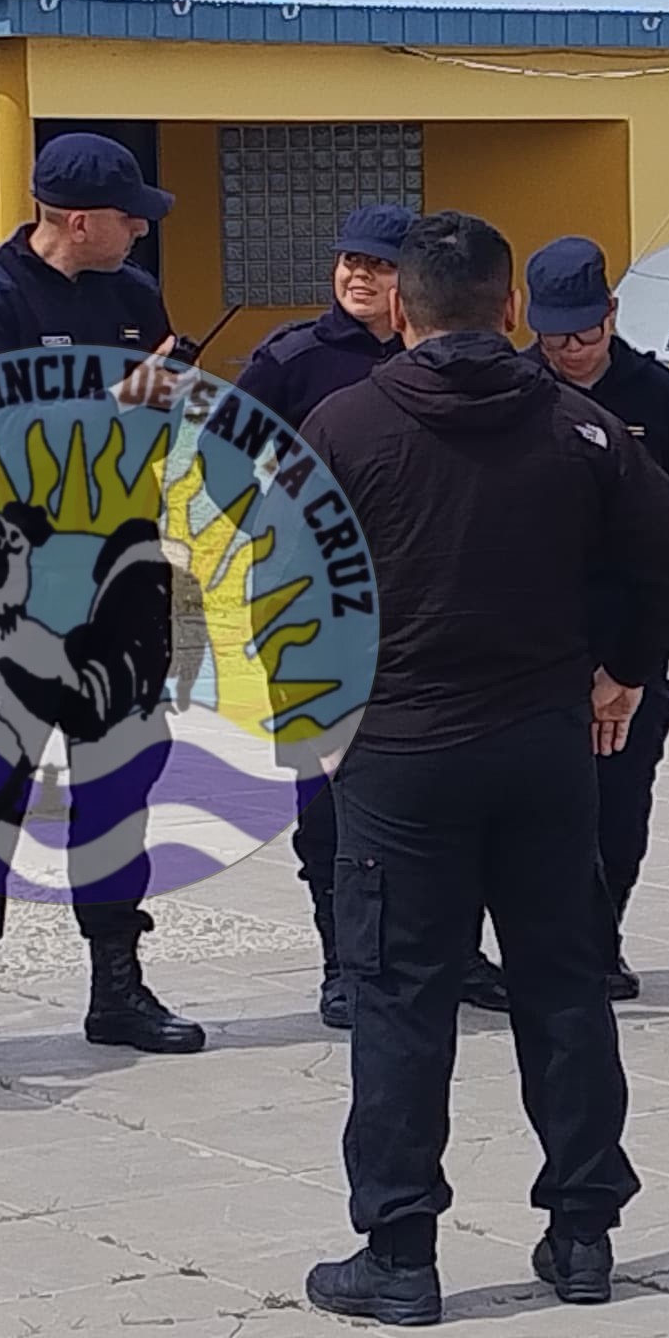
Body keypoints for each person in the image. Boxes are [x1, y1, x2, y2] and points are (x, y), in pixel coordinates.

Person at [294, 211, 669, 1326]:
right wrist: (621, 667)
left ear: (402, 308)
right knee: (562, 988)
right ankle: (581, 1234)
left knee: (399, 1000)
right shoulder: (578, 429)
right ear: (512, 309)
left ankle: (399, 1252)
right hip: (542, 748)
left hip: (401, 756)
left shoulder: (344, 426)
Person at [0, 129, 209, 1083]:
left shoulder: (132, 296)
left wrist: (160, 400)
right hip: (18, 588)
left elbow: (147, 434)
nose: (140, 232)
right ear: (77, 220)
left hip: (122, 579)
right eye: (129, 218)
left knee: (117, 792)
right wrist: (115, 407)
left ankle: (117, 987)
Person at [229, 204, 412, 1031]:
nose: (359, 277)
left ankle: (434, 950)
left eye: (378, 265)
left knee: (423, 785)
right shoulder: (291, 358)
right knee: (326, 797)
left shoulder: (435, 356)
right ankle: (342, 962)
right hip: (312, 610)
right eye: (349, 262)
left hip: (417, 605)